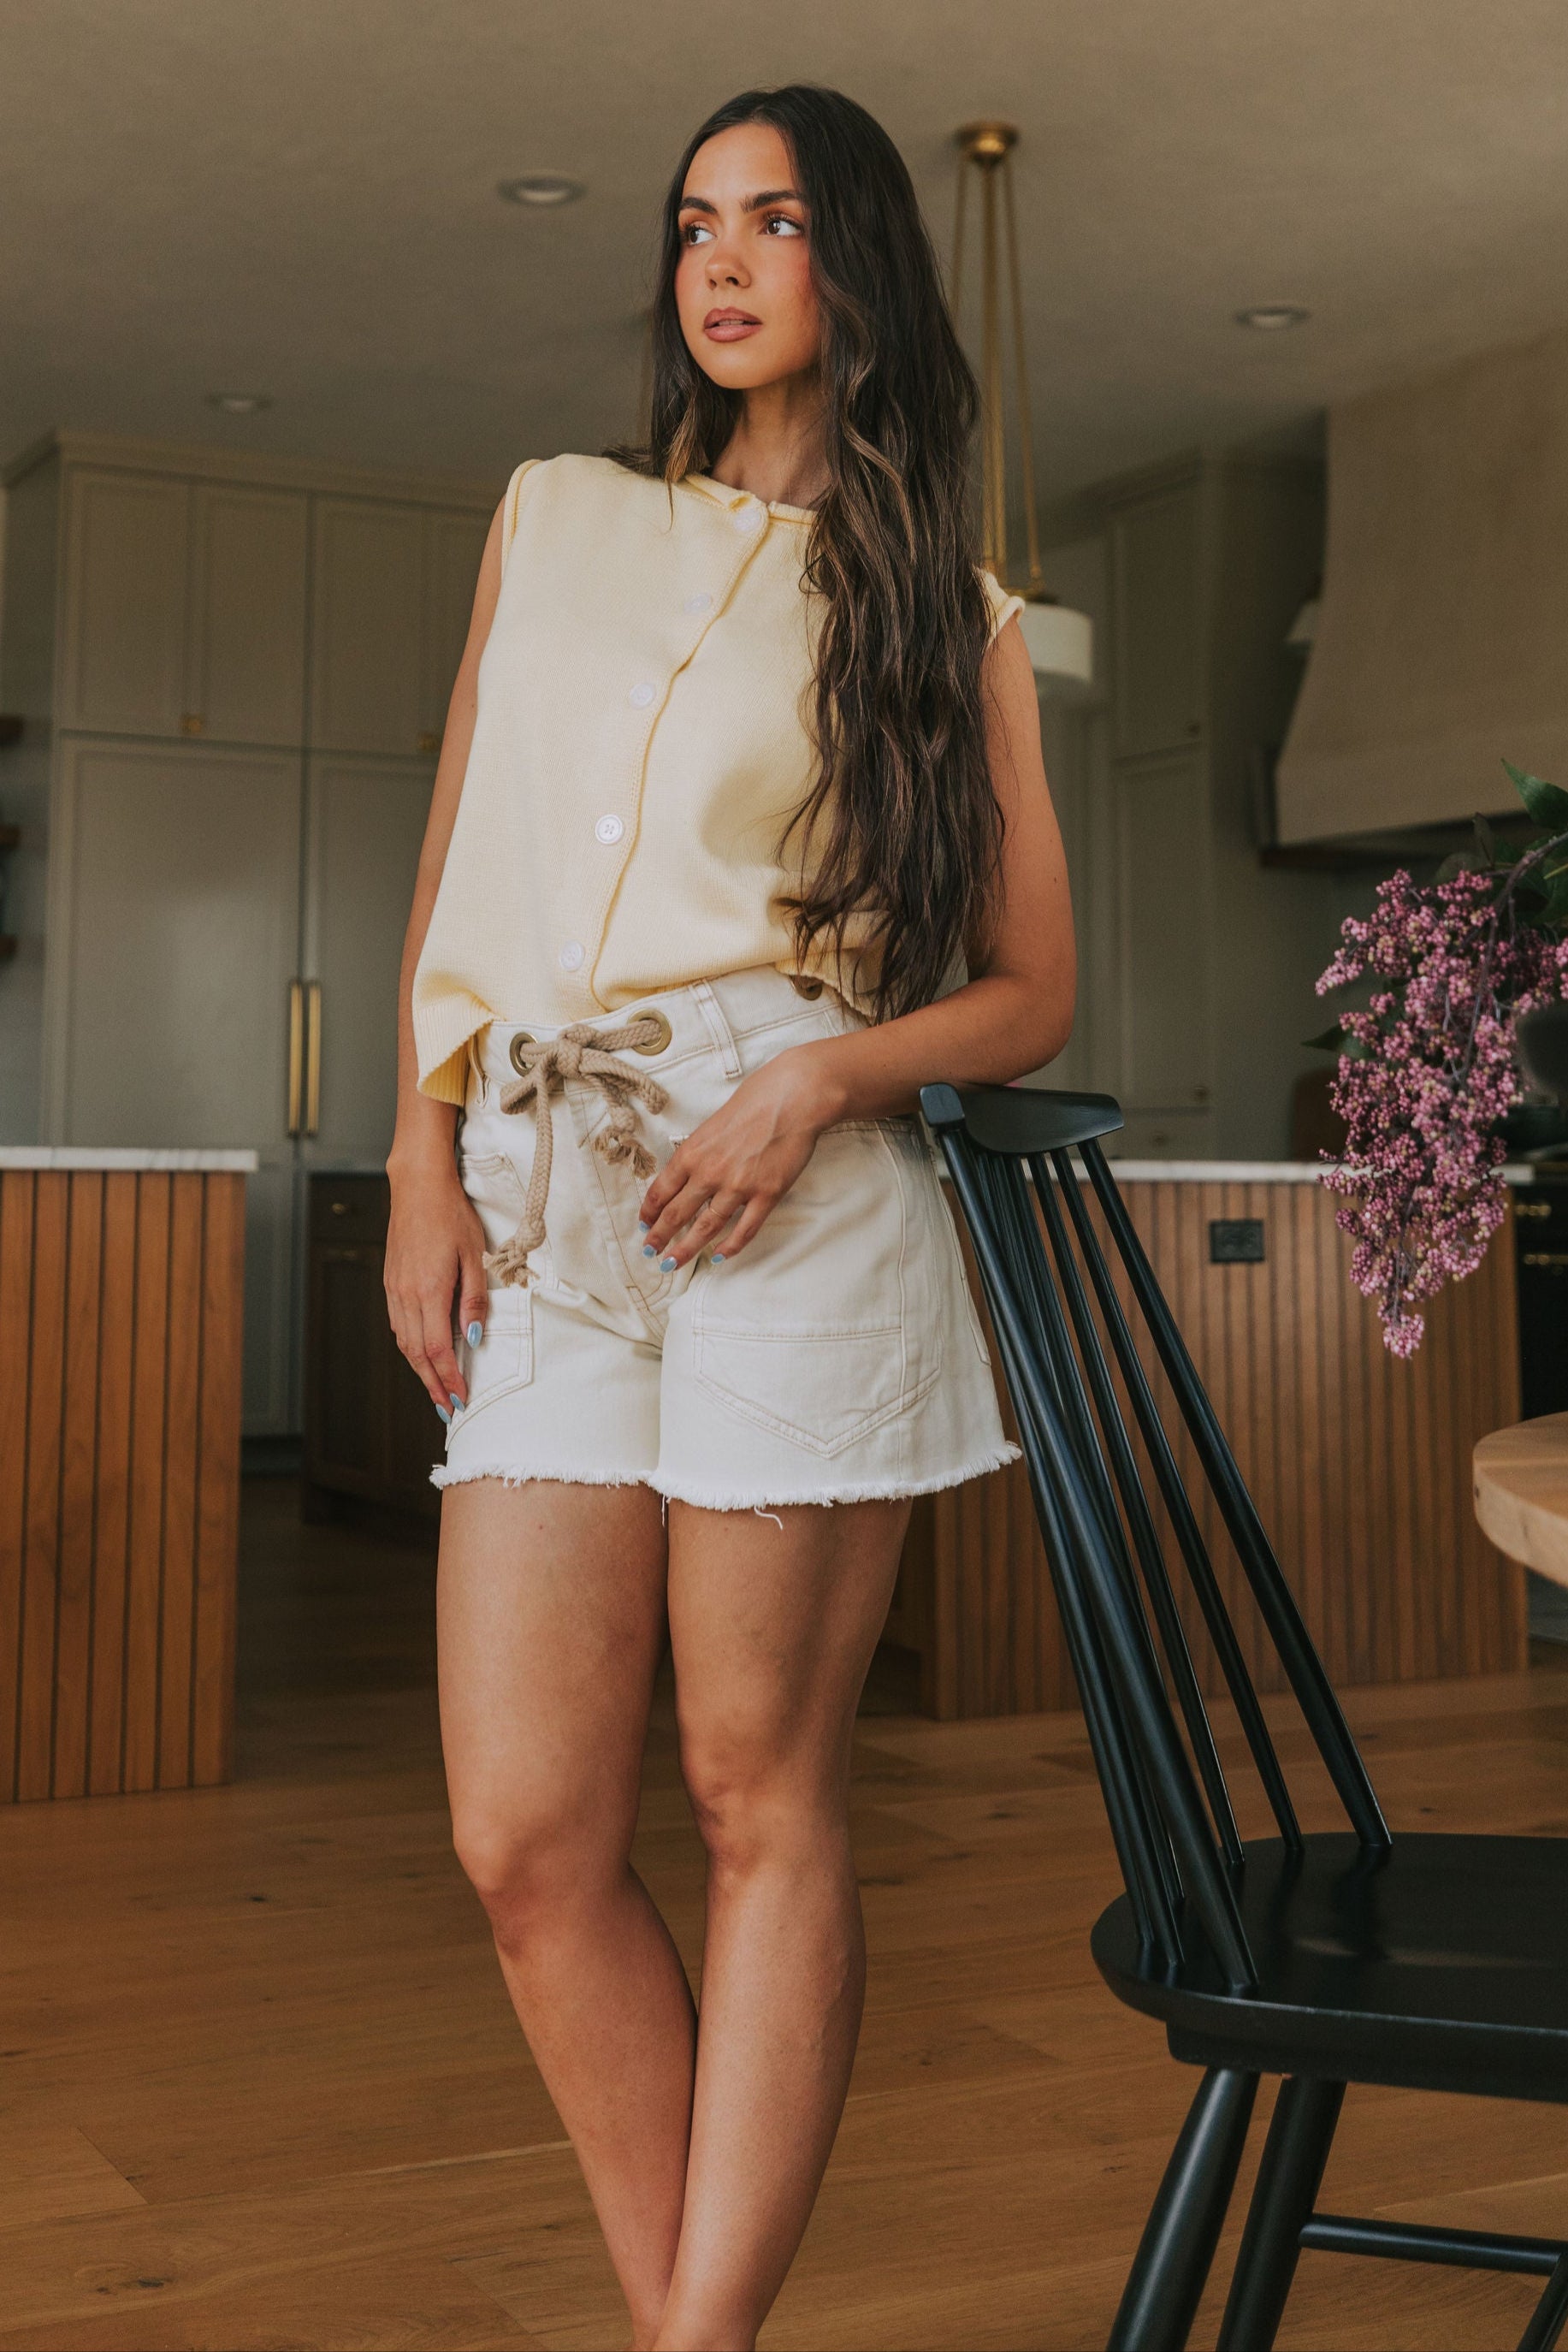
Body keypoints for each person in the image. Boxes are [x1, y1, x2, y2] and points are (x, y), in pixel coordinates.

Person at [383, 82, 1075, 2352]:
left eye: (772, 219)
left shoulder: (945, 614)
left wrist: (820, 1077)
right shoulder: (554, 515)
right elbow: (465, 847)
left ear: (855, 265)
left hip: (795, 1181)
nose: (722, 255)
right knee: (522, 1838)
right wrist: (422, 1152)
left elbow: (1030, 994)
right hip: (544, 1179)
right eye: (694, 221)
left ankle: (693, 2345)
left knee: (752, 1787)